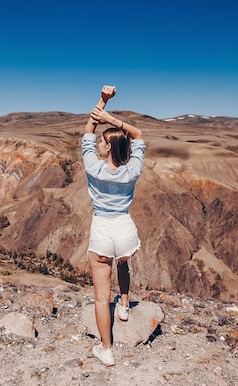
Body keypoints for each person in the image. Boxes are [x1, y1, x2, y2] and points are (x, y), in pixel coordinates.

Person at [82, 85, 146, 367]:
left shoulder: (93, 168)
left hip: (102, 230)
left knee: (99, 296)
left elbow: (87, 131)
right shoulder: (133, 169)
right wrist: (114, 121)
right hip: (124, 228)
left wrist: (102, 103)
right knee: (123, 265)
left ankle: (106, 350)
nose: (97, 143)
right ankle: (124, 305)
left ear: (108, 147)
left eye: (102, 142)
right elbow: (139, 135)